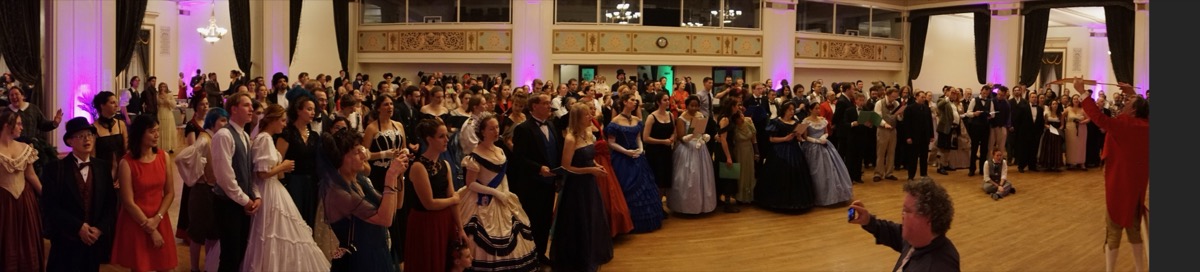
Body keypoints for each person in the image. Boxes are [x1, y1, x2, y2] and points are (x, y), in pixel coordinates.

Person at [1073, 79, 1148, 272]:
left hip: (1119, 183)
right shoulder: (1146, 126)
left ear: (1132, 111)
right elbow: (1139, 108)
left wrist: (1082, 92)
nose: (1124, 104)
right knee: (1134, 230)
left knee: (1114, 229)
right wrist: (1133, 93)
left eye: (1128, 103)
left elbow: (1099, 118)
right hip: (1137, 184)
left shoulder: (1125, 124)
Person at [455, 115, 539, 270]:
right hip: (481, 201)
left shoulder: (500, 150)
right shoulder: (475, 155)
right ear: (482, 132)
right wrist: (495, 193)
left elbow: (503, 174)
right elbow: (470, 184)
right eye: (491, 128)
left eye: (497, 128)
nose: (495, 131)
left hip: (503, 197)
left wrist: (505, 192)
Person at [321, 128, 408, 272]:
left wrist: (398, 176)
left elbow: (395, 206)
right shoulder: (339, 192)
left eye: (361, 149)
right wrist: (391, 175)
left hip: (377, 251)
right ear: (342, 158)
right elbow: (385, 219)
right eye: (356, 152)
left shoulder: (361, 181)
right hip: (360, 260)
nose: (363, 155)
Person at [42, 117, 118, 272]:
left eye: (90, 135)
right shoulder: (55, 169)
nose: (87, 139)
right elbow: (49, 206)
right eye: (81, 136)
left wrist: (99, 229)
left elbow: (110, 203)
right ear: (70, 141)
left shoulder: (103, 167)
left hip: (93, 242)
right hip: (65, 242)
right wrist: (78, 227)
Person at [110, 115, 178, 271]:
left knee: (166, 266)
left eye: (157, 131)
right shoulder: (126, 162)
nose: (157, 135)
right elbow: (128, 201)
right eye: (151, 131)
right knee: (141, 266)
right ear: (140, 133)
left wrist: (157, 219)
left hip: (159, 218)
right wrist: (150, 228)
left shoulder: (163, 157)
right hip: (137, 221)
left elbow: (169, 193)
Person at [848, 178, 960, 271]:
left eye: (907, 211)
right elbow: (894, 232)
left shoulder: (937, 267)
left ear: (928, 218)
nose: (902, 215)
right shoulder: (919, 239)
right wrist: (868, 221)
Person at [552, 103, 614, 271]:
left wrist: (595, 165)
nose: (590, 117)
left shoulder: (587, 133)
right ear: (577, 118)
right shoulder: (570, 138)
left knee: (592, 218)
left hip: (589, 184)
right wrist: (591, 170)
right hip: (576, 186)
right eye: (586, 115)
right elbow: (566, 167)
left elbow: (587, 157)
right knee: (579, 221)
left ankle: (591, 254)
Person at [404, 118, 467, 272]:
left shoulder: (444, 164)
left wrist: (460, 228)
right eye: (441, 136)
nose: (447, 140)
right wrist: (453, 199)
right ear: (429, 139)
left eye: (446, 136)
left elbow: (454, 199)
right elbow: (429, 203)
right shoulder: (418, 167)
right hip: (426, 223)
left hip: (445, 221)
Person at [210, 93, 262, 272]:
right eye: (246, 105)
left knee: (239, 253)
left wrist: (256, 195)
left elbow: (248, 172)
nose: (251, 110)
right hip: (227, 204)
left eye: (251, 106)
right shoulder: (224, 135)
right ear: (233, 109)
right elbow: (225, 178)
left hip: (242, 203)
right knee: (230, 256)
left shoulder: (245, 137)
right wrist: (246, 200)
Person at [509, 94, 562, 265]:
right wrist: (538, 168)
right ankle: (529, 256)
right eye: (545, 103)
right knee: (532, 221)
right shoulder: (523, 129)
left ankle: (540, 253)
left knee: (545, 221)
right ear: (534, 107)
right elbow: (518, 158)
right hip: (531, 184)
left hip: (549, 183)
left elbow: (556, 151)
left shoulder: (552, 125)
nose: (549, 106)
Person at [174, 107, 226, 272]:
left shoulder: (216, 138)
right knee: (198, 231)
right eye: (222, 120)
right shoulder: (204, 139)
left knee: (213, 230)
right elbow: (182, 158)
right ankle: (194, 268)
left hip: (214, 190)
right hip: (203, 191)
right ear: (213, 122)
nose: (225, 124)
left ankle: (209, 265)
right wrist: (197, 175)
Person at [606, 93, 664, 232]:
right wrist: (626, 152)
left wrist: (641, 148)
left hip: (637, 157)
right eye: (632, 100)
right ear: (625, 102)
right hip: (622, 159)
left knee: (645, 185)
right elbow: (611, 142)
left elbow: (638, 137)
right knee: (626, 187)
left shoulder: (637, 119)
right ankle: (626, 223)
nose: (635, 102)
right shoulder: (615, 121)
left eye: (635, 100)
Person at [755, 102, 816, 211]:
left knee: (796, 174)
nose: (792, 112)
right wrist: (784, 139)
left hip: (794, 150)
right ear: (784, 110)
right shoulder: (776, 122)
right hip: (779, 150)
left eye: (793, 110)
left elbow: (799, 139)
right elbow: (771, 139)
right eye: (790, 110)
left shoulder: (796, 122)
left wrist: (798, 136)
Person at [278, 96, 322, 228]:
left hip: (312, 183)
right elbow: (278, 160)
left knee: (310, 219)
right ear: (298, 111)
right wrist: (283, 184)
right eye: (309, 109)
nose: (313, 113)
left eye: (314, 109)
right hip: (293, 182)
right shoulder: (287, 133)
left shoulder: (315, 135)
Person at [669, 96, 717, 215]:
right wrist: (691, 135)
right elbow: (681, 137)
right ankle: (685, 206)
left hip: (700, 147)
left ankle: (703, 205)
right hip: (687, 149)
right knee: (687, 177)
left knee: (702, 176)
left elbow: (701, 132)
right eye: (692, 105)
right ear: (687, 105)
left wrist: (704, 136)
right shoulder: (681, 118)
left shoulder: (700, 116)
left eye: (696, 106)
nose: (694, 108)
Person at [800, 106, 853, 206]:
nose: (818, 110)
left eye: (818, 108)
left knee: (831, 168)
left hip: (825, 145)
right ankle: (818, 196)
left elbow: (826, 132)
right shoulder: (806, 121)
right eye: (815, 108)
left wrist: (824, 137)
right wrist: (816, 140)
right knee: (816, 170)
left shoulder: (822, 120)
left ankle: (835, 194)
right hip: (812, 147)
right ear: (810, 110)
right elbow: (805, 136)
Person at [93, 91, 128, 182]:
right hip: (102, 174)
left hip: (121, 173)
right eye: (112, 103)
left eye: (116, 102)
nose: (116, 105)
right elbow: (93, 157)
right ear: (102, 105)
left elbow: (126, 150)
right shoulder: (93, 128)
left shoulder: (121, 124)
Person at [901, 91, 935, 181]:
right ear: (916, 97)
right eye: (922, 97)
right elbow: (906, 124)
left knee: (924, 157)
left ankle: (924, 174)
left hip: (925, 137)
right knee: (913, 157)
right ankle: (911, 176)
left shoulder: (926, 108)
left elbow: (930, 123)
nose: (923, 99)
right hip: (914, 137)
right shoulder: (910, 108)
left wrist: (931, 135)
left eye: (924, 97)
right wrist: (908, 137)